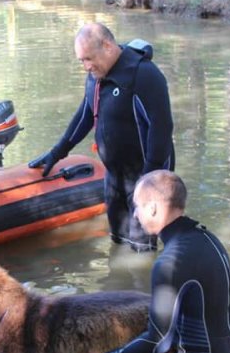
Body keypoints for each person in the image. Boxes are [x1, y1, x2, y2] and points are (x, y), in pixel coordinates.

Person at [76, 170, 230, 353]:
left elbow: (157, 342)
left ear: (153, 208)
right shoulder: (209, 238)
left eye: (137, 206)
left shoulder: (169, 263)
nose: (135, 215)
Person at [28, 22, 175, 252]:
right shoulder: (96, 75)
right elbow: (86, 113)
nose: (85, 66)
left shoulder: (144, 75)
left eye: (88, 58)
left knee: (141, 253)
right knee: (118, 246)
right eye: (81, 61)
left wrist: (149, 184)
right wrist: (56, 153)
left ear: (107, 46)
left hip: (144, 178)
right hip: (114, 178)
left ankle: (143, 286)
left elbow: (162, 129)